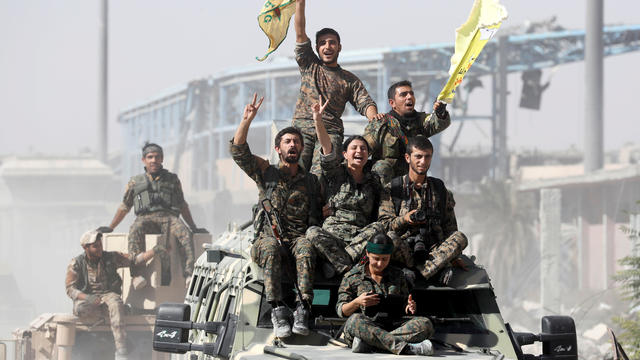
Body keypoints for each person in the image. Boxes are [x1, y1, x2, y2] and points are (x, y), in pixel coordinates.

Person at [230, 94, 321, 337]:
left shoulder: (311, 181)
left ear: (302, 148)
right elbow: (239, 152)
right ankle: (278, 309)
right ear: (277, 148)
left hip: (295, 241)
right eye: (287, 141)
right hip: (266, 241)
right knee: (270, 246)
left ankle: (303, 308)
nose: (292, 145)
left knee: (305, 246)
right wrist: (246, 121)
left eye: (296, 142)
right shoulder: (266, 172)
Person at [293, 0, 384, 175]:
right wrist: (300, 4)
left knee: (323, 174)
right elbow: (299, 33)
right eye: (323, 43)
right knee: (296, 173)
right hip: (302, 128)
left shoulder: (349, 79)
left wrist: (374, 116)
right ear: (317, 47)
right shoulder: (309, 65)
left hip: (329, 132)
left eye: (332, 42)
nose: (328, 46)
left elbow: (365, 102)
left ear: (339, 47)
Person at [98, 142, 207, 288]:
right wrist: (111, 227)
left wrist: (193, 226)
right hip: (145, 218)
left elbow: (182, 204)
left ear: (162, 159)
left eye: (157, 157)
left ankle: (188, 275)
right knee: (135, 229)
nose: (153, 160)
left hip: (168, 218)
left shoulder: (172, 179)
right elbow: (125, 206)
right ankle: (136, 274)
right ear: (144, 160)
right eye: (150, 157)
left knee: (184, 233)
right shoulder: (135, 182)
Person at [305, 96, 388, 277]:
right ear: (345, 154)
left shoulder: (373, 181)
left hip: (359, 239)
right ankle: (348, 270)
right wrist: (318, 121)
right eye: (354, 148)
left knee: (379, 229)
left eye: (363, 149)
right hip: (332, 237)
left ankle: (339, 263)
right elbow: (327, 149)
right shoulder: (336, 174)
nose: (359, 151)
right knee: (312, 233)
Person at [379, 135, 468, 284]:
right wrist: (405, 219)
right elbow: (384, 225)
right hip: (404, 249)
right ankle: (431, 270)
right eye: (418, 157)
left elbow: (450, 225)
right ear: (408, 158)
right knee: (389, 238)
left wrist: (454, 256)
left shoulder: (439, 188)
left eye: (427, 157)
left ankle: (421, 273)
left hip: (433, 249)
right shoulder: (393, 188)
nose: (423, 162)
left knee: (460, 237)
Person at [65, 230, 164, 359]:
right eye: (95, 246)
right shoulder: (76, 263)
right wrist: (87, 297)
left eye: (100, 245)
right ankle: (115, 312)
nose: (99, 248)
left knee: (115, 305)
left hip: (108, 294)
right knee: (80, 309)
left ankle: (121, 350)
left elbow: (135, 259)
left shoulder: (111, 257)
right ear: (85, 248)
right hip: (88, 298)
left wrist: (154, 251)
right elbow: (70, 289)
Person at [336, 233, 434, 355]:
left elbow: (404, 303)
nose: (380, 264)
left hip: (392, 326)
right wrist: (357, 302)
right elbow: (342, 310)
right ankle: (407, 348)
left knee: (425, 324)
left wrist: (408, 307)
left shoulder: (398, 275)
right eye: (376, 258)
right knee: (354, 321)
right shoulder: (352, 277)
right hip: (366, 326)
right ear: (367, 253)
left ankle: (370, 343)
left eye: (385, 259)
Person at [363, 80, 451, 185]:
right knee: (381, 167)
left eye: (411, 94)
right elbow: (363, 150)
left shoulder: (421, 120)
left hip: (412, 183)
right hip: (387, 188)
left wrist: (440, 113)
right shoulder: (381, 124)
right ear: (392, 103)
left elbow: (437, 123)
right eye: (403, 94)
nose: (409, 97)